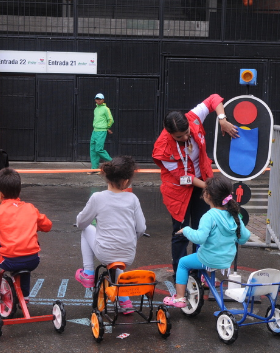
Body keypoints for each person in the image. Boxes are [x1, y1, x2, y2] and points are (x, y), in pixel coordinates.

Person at [152, 94, 239, 281]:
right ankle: (181, 274)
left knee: (203, 229)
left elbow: (214, 99)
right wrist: (211, 185)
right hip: (178, 190)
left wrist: (222, 120)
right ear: (169, 133)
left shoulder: (194, 117)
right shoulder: (163, 147)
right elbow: (185, 177)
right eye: (179, 137)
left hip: (203, 185)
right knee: (181, 232)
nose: (185, 137)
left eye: (187, 133)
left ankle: (200, 271)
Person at [163, 176, 250, 307]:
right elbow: (243, 238)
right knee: (208, 249)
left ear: (208, 195)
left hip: (210, 259)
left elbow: (199, 238)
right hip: (226, 260)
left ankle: (180, 297)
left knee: (183, 263)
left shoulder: (209, 216)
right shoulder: (234, 214)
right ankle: (206, 277)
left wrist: (186, 230)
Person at [74, 156, 146, 314]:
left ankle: (88, 273)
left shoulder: (98, 198)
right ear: (127, 181)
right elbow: (141, 228)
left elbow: (81, 222)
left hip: (105, 252)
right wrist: (130, 239)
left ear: (106, 176)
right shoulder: (132, 199)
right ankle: (124, 300)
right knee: (117, 256)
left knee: (86, 229)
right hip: (128, 253)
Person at [0, 168, 52, 299]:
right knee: (26, 250)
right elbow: (47, 225)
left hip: (9, 261)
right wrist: (34, 225)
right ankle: (25, 297)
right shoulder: (30, 208)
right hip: (33, 260)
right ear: (19, 191)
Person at [88, 93, 114, 174]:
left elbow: (110, 119)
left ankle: (113, 163)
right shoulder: (96, 109)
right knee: (93, 150)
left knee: (99, 149)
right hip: (95, 131)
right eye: (97, 99)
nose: (98, 100)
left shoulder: (106, 109)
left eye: (100, 99)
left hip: (101, 131)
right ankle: (94, 169)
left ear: (103, 100)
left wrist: (106, 128)